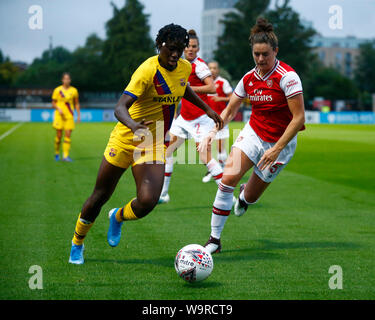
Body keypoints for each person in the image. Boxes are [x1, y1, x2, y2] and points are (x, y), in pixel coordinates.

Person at [68, 23, 223, 264]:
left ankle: (117, 217)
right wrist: (134, 125)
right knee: (100, 195)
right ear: (160, 46)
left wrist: (207, 109)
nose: (175, 54)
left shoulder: (184, 67)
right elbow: (120, 108)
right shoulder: (147, 70)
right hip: (126, 137)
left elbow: (184, 88)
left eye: (180, 50)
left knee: (149, 201)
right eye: (171, 49)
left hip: (152, 141)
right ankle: (77, 242)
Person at [199, 18, 305, 254]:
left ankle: (245, 197)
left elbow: (299, 119)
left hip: (281, 144)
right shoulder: (248, 78)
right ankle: (214, 240)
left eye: (265, 54)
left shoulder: (287, 77)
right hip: (253, 134)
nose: (260, 59)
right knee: (227, 181)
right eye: (256, 54)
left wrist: (276, 149)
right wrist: (212, 133)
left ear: (275, 51)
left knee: (252, 196)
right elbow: (229, 110)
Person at [158, 30, 224, 204]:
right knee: (166, 152)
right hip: (184, 119)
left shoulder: (200, 66)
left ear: (198, 48)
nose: (190, 49)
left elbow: (212, 88)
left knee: (205, 158)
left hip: (200, 120)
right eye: (188, 46)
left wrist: (187, 89)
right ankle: (163, 194)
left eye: (194, 47)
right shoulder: (180, 64)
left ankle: (228, 196)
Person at [202, 61, 233, 183]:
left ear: (218, 70)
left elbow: (232, 97)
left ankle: (224, 170)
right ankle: (213, 170)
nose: (212, 70)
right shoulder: (204, 83)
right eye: (210, 68)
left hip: (220, 120)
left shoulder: (223, 82)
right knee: (206, 149)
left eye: (214, 68)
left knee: (220, 149)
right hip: (205, 121)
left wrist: (221, 98)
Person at [52, 72, 80, 162]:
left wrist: (79, 115)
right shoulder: (57, 90)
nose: (67, 80)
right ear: (62, 80)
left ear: (70, 80)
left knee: (68, 135)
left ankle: (65, 156)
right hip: (59, 116)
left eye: (68, 79)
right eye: (65, 78)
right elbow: (53, 103)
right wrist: (58, 108)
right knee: (59, 136)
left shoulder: (74, 91)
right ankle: (56, 153)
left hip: (69, 116)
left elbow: (76, 103)